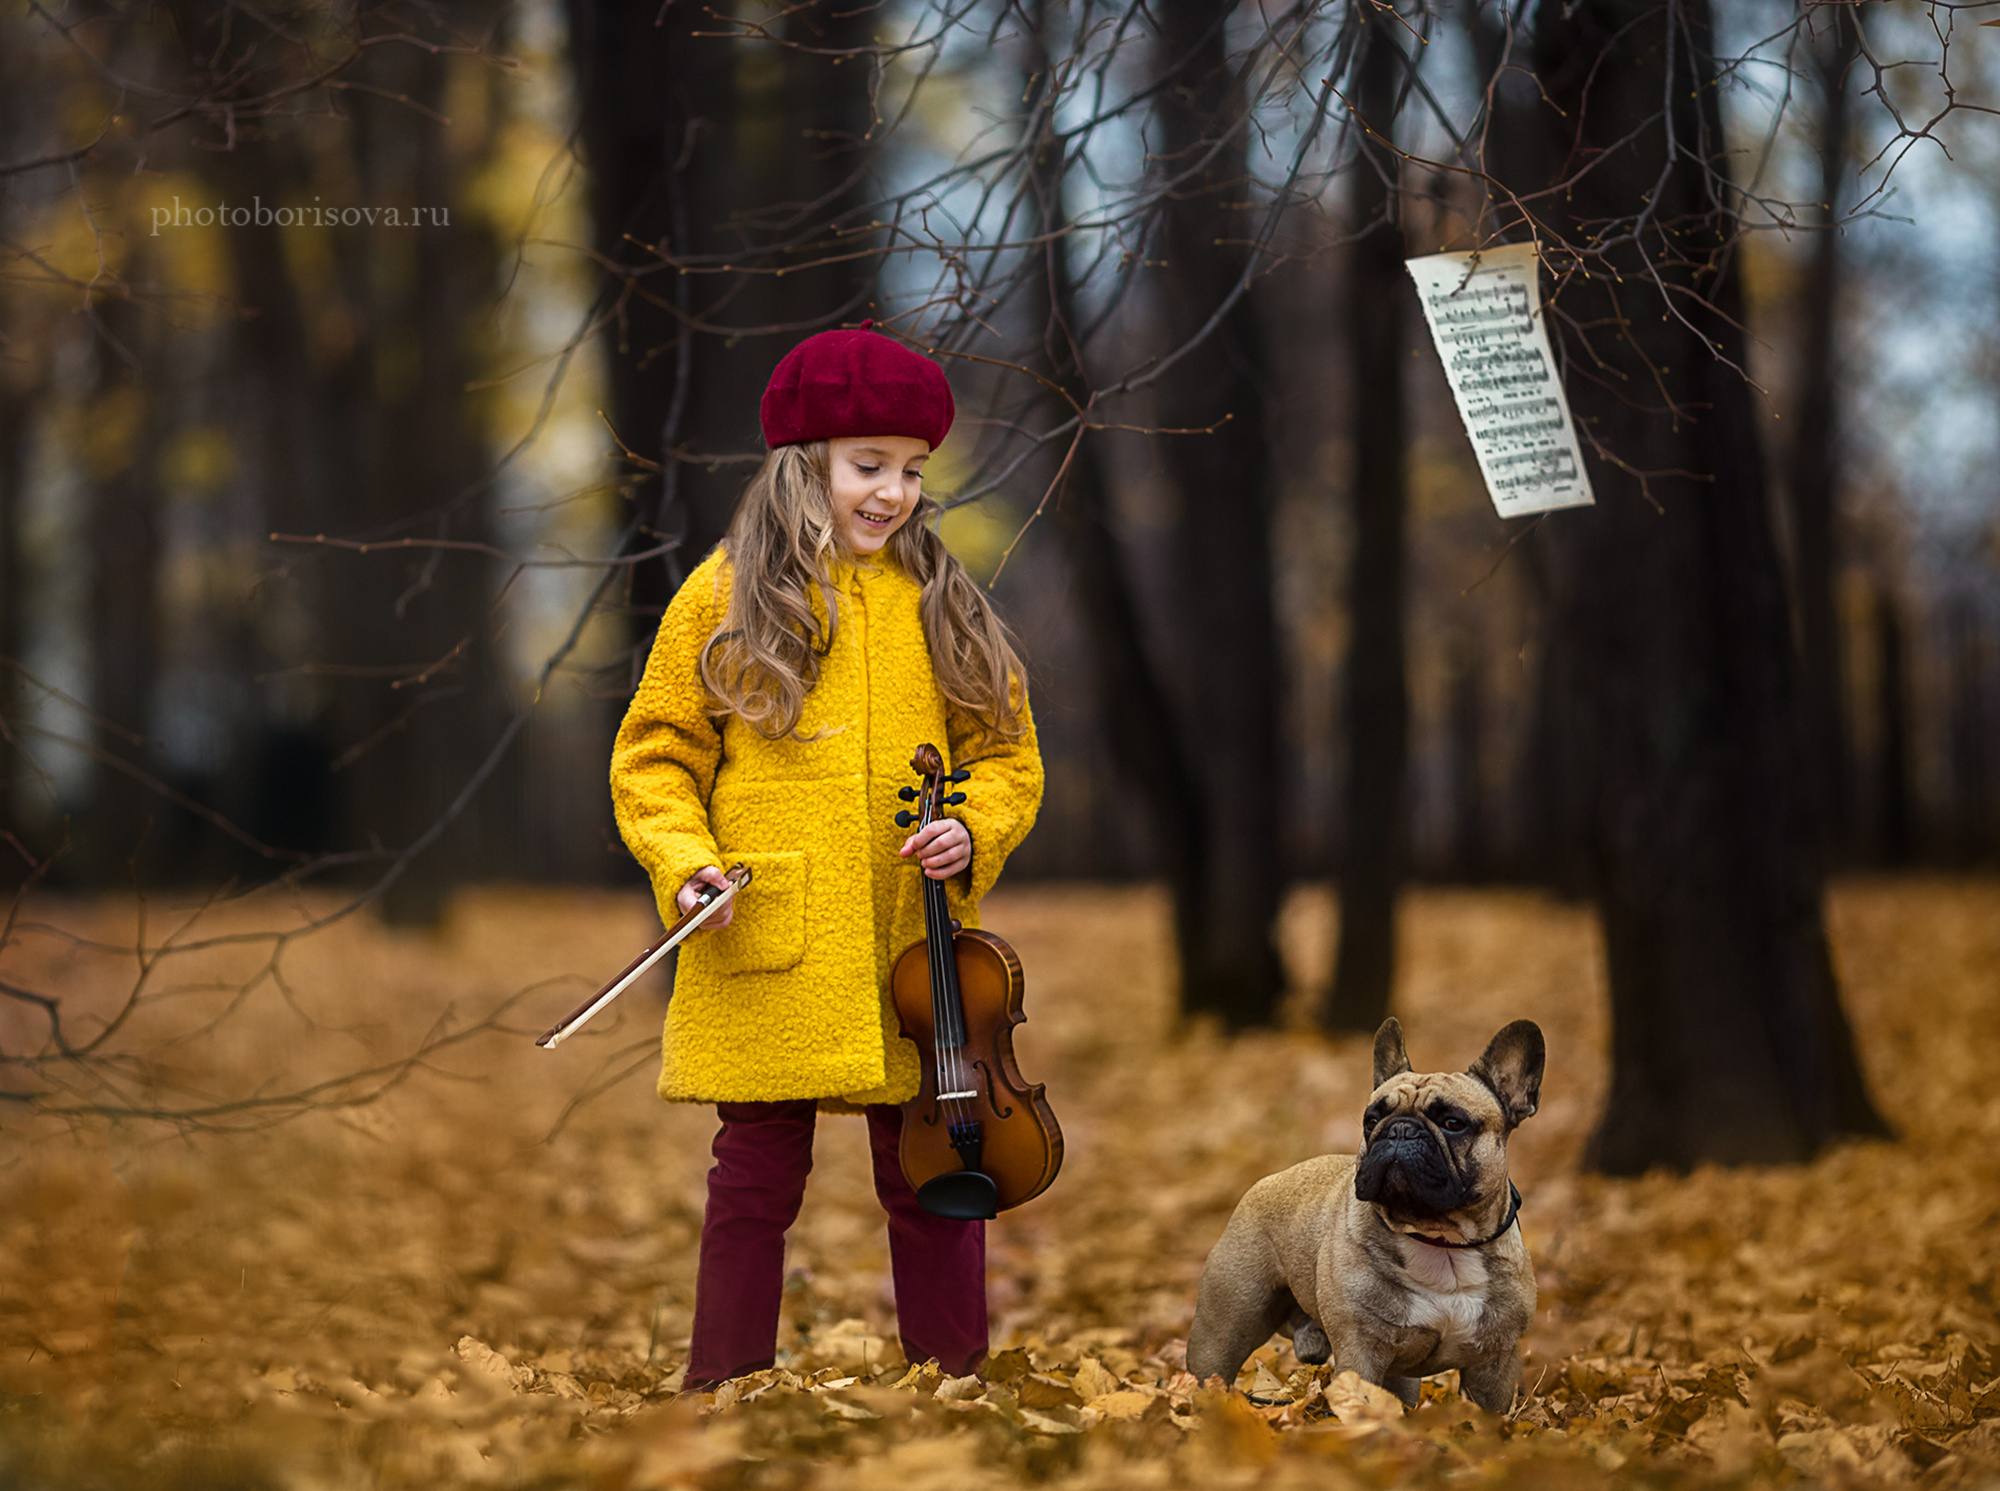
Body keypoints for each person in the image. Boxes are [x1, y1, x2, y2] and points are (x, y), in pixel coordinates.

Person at [609, 325, 1044, 1392]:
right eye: (868, 467)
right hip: (771, 939)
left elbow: (1007, 757)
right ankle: (722, 1384)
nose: (892, 493)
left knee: (937, 1172)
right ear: (802, 469)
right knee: (752, 1180)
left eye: (909, 471)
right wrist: (685, 866)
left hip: (914, 947)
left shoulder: (945, 604)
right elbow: (654, 759)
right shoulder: (718, 600)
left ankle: (952, 1382)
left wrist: (972, 828)